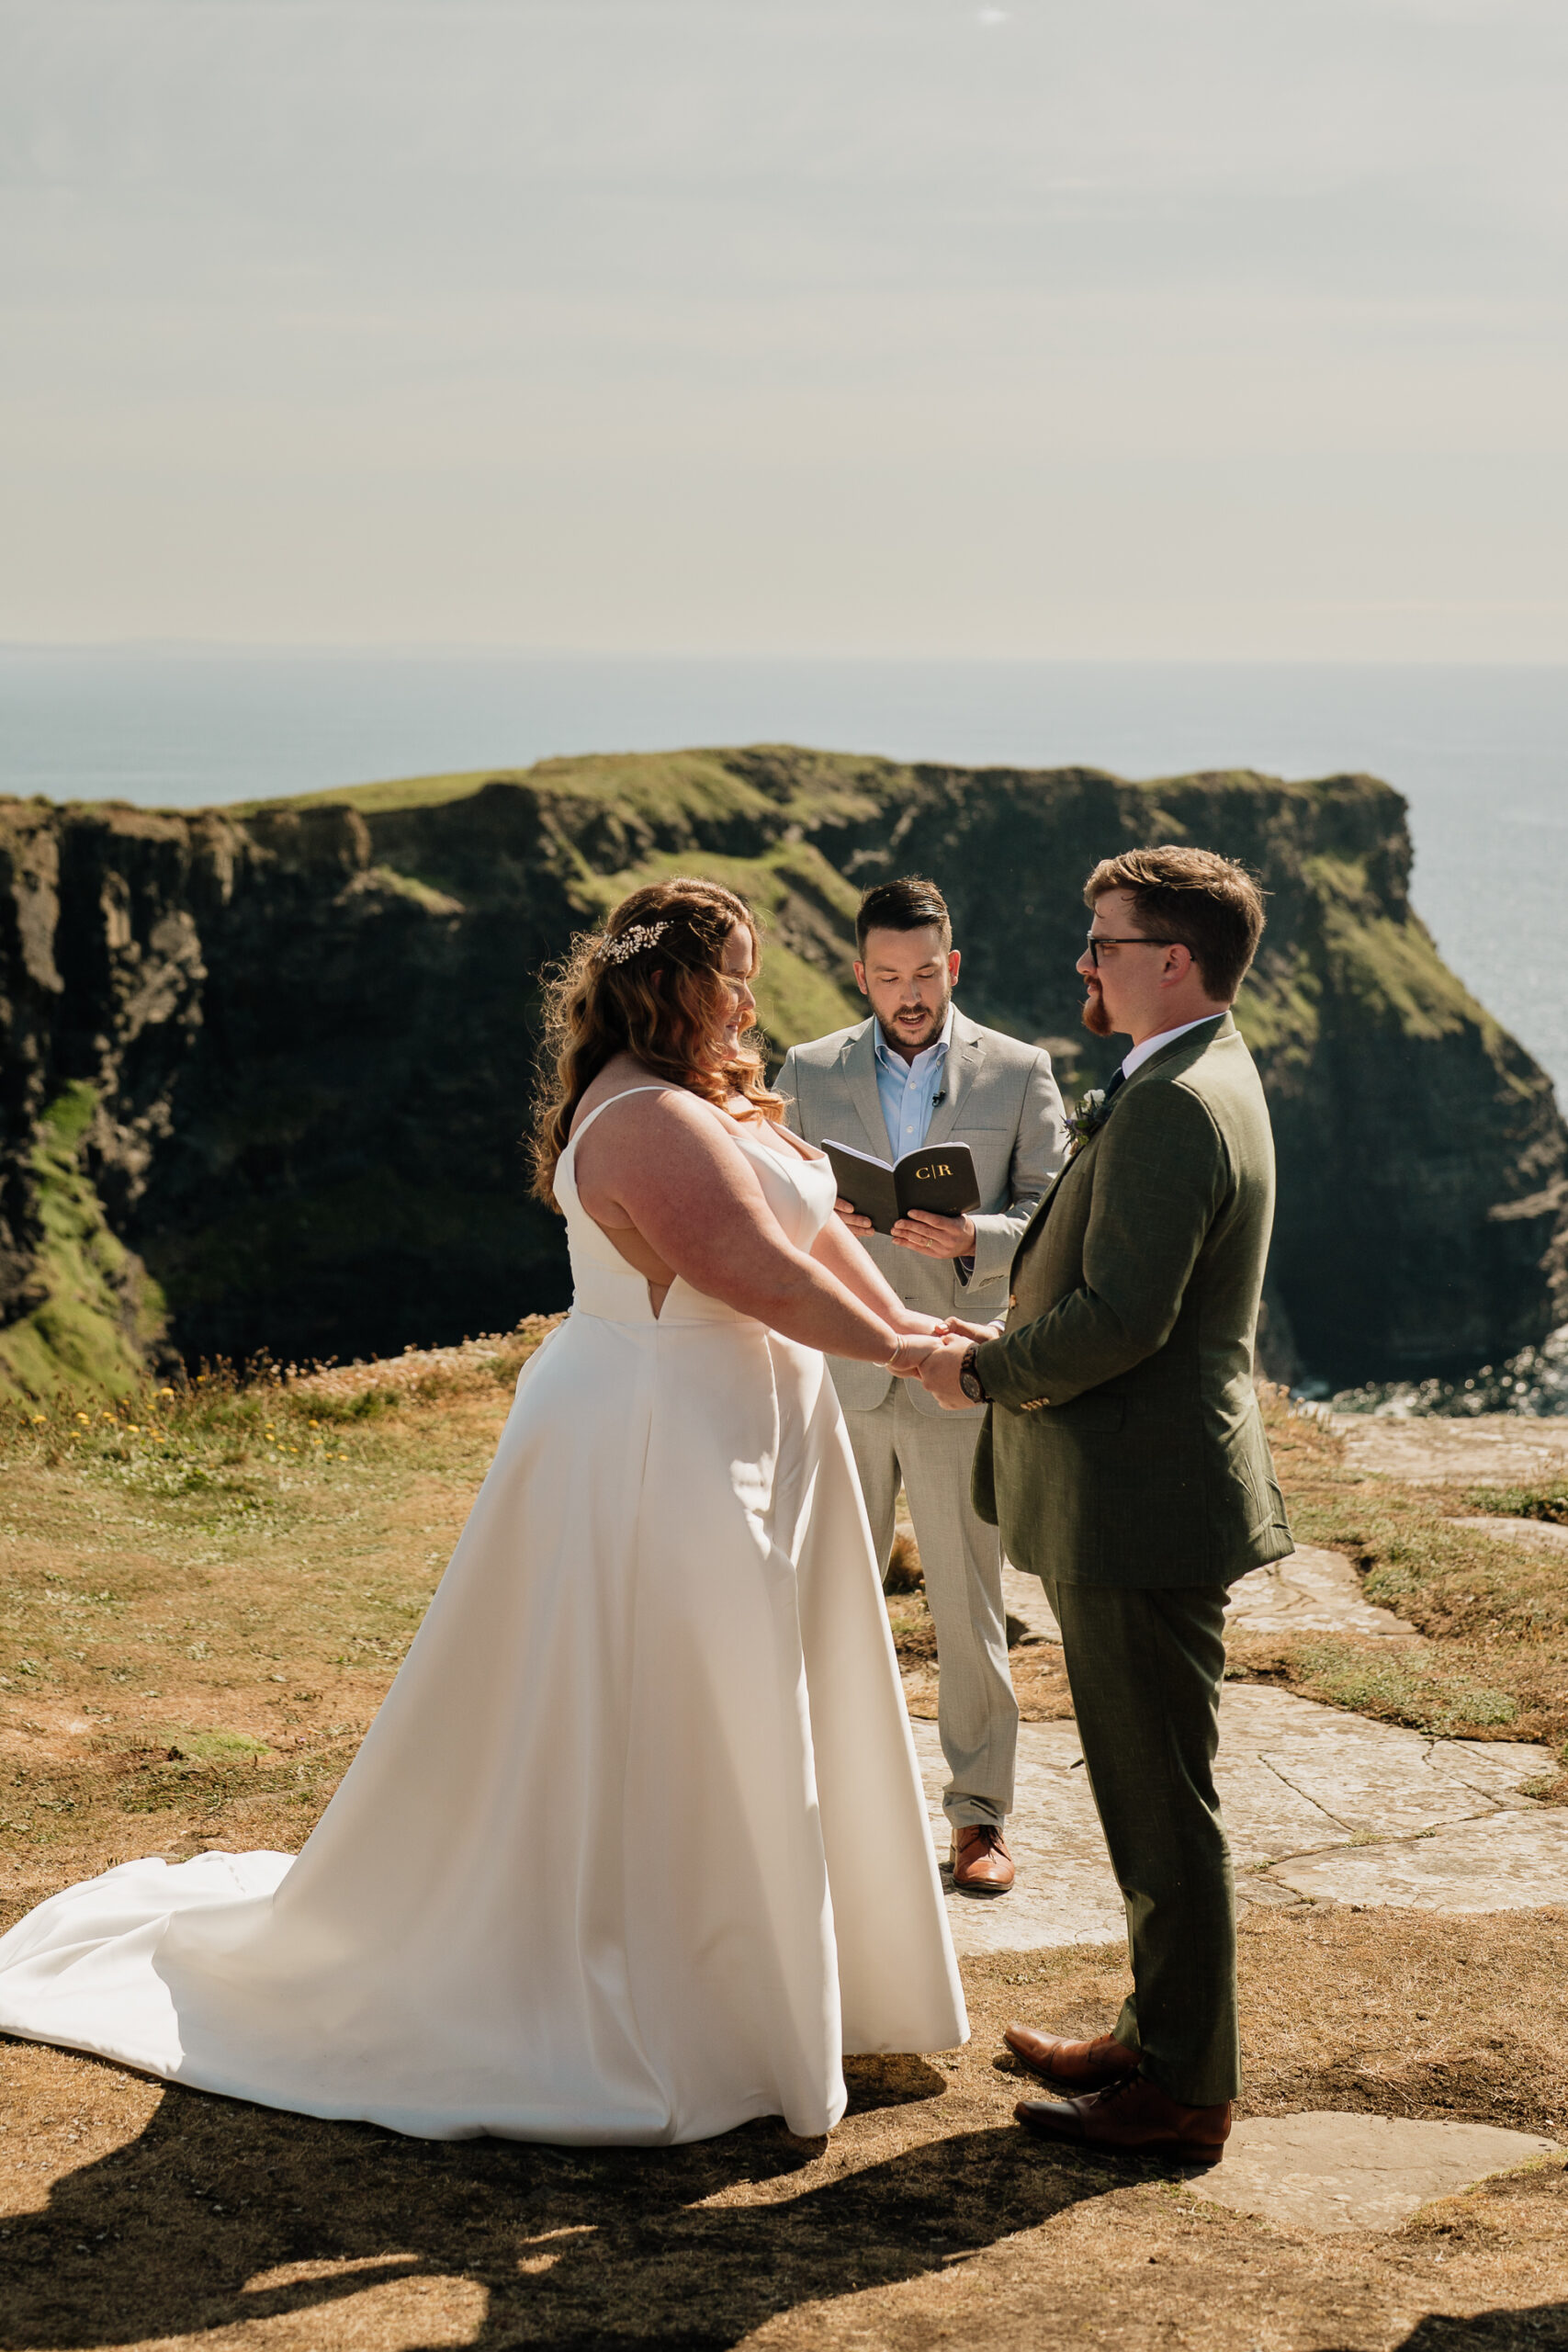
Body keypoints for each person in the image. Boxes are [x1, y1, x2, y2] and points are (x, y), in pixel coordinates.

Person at [0, 876, 967, 2144]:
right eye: (732, 971)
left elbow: (818, 1227)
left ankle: (798, 1975)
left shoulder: (718, 1096)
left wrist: (911, 1323)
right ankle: (680, 1998)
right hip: (658, 1438)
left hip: (756, 1428)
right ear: (672, 985)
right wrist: (910, 1365)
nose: (752, 993)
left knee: (770, 1689)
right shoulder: (639, 1122)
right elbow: (754, 1270)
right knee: (680, 1697)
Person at [919, 845, 1292, 2166]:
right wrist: (980, 1260)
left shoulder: (1178, 1102)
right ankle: (1154, 2033)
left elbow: (1122, 1320)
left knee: (1157, 1800)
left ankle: (1184, 2092)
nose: (1082, 963)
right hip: (1135, 1495)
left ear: (1169, 961)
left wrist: (977, 1368)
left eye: (1105, 942)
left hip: (1138, 1503)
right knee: (1147, 1791)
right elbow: (1098, 1257)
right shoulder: (1181, 1076)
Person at [775, 877, 1066, 1896]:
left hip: (957, 1368)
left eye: (924, 972)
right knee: (827, 1604)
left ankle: (980, 1819)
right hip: (841, 1376)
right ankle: (821, 1809)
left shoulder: (1023, 1073)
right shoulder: (804, 1072)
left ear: (954, 965)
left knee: (969, 1608)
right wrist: (823, 1222)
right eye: (886, 975)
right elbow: (766, 1214)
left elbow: (1055, 1222)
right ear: (860, 974)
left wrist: (975, 1236)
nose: (908, 993)